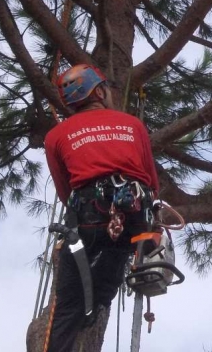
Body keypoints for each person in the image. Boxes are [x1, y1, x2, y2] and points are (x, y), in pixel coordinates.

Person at [43, 64, 159, 352]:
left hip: (86, 218)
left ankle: (81, 315)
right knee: (117, 255)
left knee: (68, 305)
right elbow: (151, 182)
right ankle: (97, 303)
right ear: (99, 90)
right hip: (133, 216)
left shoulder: (56, 136)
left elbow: (64, 190)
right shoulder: (132, 125)